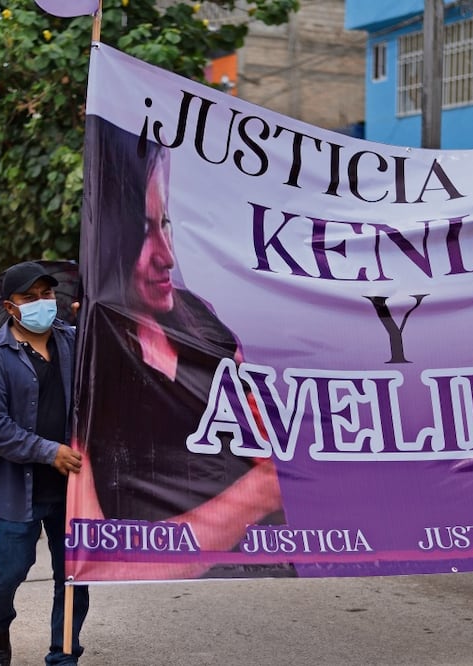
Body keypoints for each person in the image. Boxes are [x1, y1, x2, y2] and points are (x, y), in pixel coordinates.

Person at [70, 118, 285, 581]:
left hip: (262, 584)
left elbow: (267, 438)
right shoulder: (90, 360)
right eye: (143, 230)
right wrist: (260, 493)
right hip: (179, 599)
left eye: (164, 222)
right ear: (111, 241)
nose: (166, 253)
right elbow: (99, 561)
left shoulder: (199, 321)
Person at [0, 261, 88, 666]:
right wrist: (49, 451)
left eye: (47, 294)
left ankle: (63, 655)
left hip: (74, 487)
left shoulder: (75, 342)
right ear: (10, 306)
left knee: (74, 578)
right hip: (17, 490)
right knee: (8, 574)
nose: (43, 302)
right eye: (31, 297)